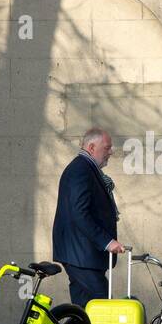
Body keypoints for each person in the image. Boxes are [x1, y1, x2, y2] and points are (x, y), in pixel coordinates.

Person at [53, 127, 126, 307]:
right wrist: (107, 242)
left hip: (82, 255)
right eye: (107, 148)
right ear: (92, 147)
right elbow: (79, 213)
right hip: (81, 255)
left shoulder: (86, 169)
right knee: (105, 306)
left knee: (83, 309)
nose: (111, 152)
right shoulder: (81, 170)